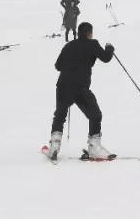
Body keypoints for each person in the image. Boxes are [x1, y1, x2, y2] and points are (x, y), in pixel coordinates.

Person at [47, 22, 115, 161]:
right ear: (89, 33)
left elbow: (58, 65)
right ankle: (94, 148)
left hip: (63, 86)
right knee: (95, 115)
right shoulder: (93, 44)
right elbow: (106, 58)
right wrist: (109, 48)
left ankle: (54, 146)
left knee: (59, 116)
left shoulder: (69, 45)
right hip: (79, 88)